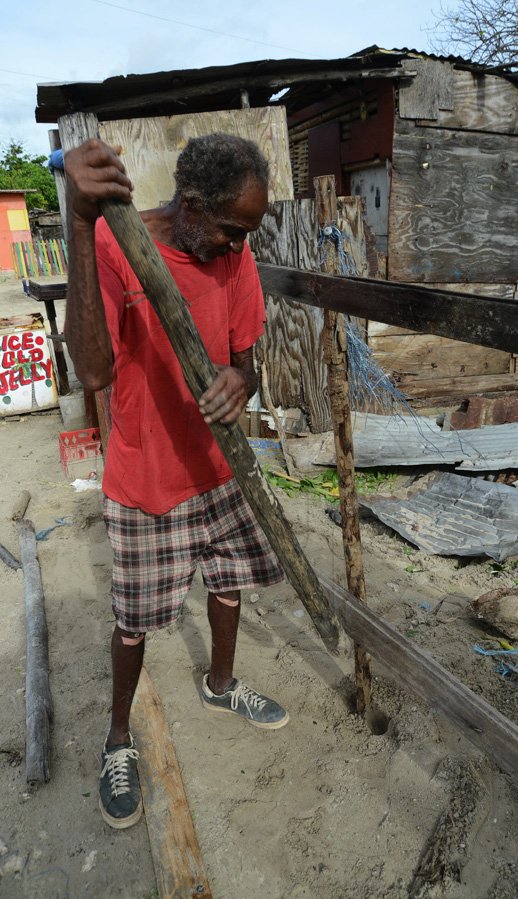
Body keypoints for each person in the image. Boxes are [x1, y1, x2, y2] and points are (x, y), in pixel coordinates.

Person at [64, 133, 288, 831]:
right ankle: (117, 740)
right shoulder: (115, 243)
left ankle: (221, 684)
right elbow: (94, 371)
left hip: (219, 466)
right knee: (133, 620)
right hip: (147, 477)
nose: (236, 246)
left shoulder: (234, 250)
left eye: (244, 234)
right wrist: (77, 221)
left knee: (228, 583)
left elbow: (246, 361)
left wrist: (239, 382)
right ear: (191, 205)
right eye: (229, 229)